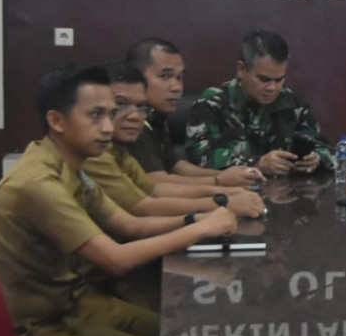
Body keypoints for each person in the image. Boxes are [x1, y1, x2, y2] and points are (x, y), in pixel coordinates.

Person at [0, 65, 238, 336]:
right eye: (96, 115)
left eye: (111, 114)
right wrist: (202, 227)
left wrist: (197, 218)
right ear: (57, 121)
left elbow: (130, 225)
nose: (108, 127)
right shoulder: (38, 184)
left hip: (55, 316)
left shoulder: (71, 168)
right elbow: (116, 259)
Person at [85, 62, 267, 219]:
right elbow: (140, 212)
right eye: (121, 104)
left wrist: (224, 191)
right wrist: (221, 200)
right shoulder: (95, 155)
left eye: (141, 107)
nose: (134, 115)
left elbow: (155, 190)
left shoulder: (121, 148)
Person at [186, 31, 333, 176]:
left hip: (286, 193)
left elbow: (322, 147)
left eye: (279, 80)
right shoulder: (211, 103)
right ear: (242, 69)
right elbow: (198, 158)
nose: (272, 88)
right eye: (264, 80)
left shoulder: (293, 102)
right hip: (231, 194)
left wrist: (316, 159)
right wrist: (256, 163)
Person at [124, 37, 262, 188]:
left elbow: (176, 166)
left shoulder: (156, 116)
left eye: (180, 77)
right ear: (135, 78)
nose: (177, 87)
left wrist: (234, 174)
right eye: (165, 76)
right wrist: (219, 181)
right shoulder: (131, 122)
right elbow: (157, 182)